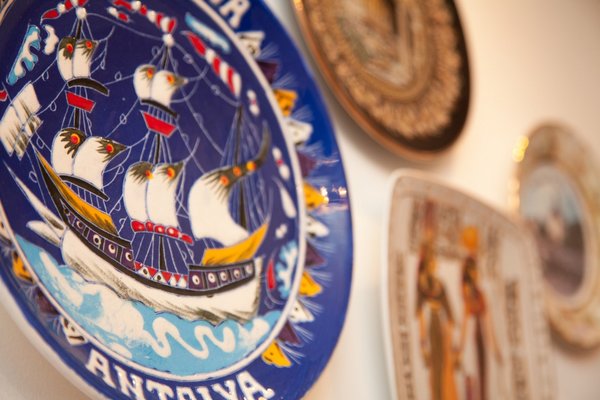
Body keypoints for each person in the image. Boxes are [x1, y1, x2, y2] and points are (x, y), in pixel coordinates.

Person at [457, 227, 502, 400]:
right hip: (473, 340)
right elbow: (465, 321)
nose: (477, 275)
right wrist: (460, 348)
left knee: (483, 377)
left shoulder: (480, 295)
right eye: (474, 272)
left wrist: (495, 347)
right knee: (473, 379)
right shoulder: (469, 297)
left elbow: (488, 323)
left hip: (481, 339)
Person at [416, 243, 458, 400]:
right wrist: (422, 344)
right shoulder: (422, 285)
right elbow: (420, 314)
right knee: (434, 368)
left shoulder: (440, 285)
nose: (435, 264)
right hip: (431, 326)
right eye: (432, 261)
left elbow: (449, 313)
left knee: (442, 366)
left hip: (441, 327)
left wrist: (451, 339)